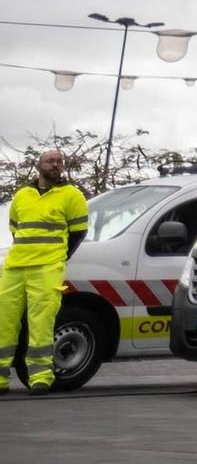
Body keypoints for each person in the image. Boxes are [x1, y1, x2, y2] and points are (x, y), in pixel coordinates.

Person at [2, 148, 89, 394]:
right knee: (4, 322)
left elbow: (78, 232)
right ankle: (0, 378)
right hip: (15, 267)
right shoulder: (22, 196)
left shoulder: (72, 195)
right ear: (38, 165)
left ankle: (40, 378)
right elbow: (16, 230)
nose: (55, 164)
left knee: (41, 324)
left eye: (59, 161)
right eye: (50, 161)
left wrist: (59, 257)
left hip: (47, 268)